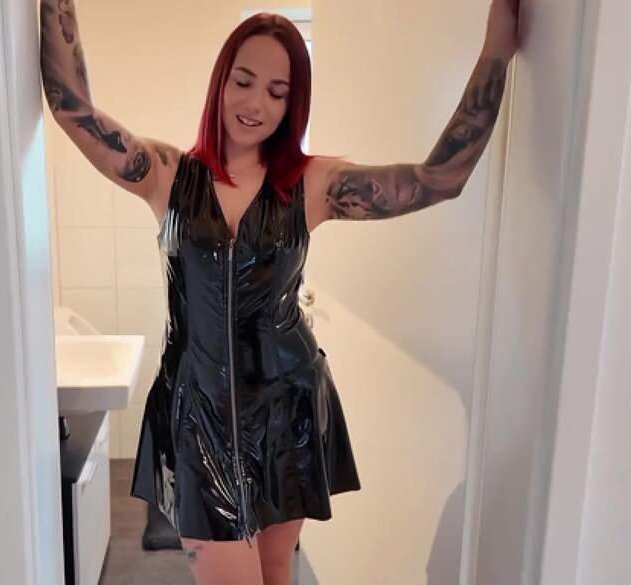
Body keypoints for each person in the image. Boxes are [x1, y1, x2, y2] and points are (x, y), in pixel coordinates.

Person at [39, 1, 520, 583]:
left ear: (294, 105)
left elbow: (438, 180)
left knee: (274, 573)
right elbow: (71, 107)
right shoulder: (166, 173)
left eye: (277, 91)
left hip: (287, 411)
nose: (255, 104)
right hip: (198, 420)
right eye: (243, 81)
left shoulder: (312, 185)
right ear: (221, 81)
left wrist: (496, 48)